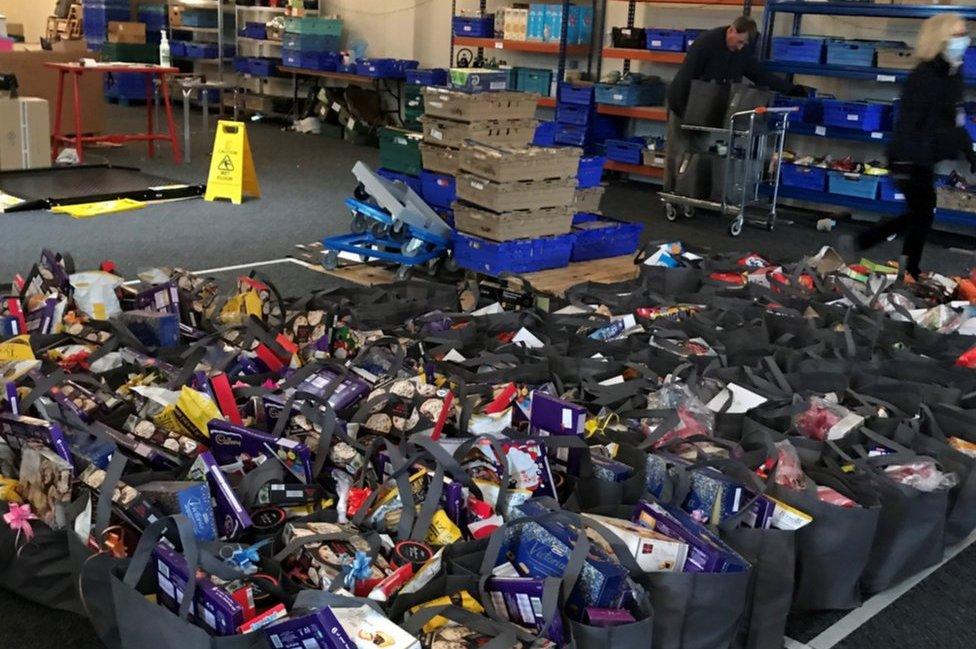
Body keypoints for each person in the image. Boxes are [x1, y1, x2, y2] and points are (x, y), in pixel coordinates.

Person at [842, 13, 975, 279]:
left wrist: (969, 153)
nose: (964, 40)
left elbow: (955, 119)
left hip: (926, 156)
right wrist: (909, 160)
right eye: (957, 35)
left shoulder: (953, 73)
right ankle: (887, 256)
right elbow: (910, 124)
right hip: (908, 156)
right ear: (941, 39)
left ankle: (893, 259)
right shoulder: (924, 76)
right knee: (922, 212)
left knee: (920, 213)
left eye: (964, 34)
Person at [665, 16, 798, 191]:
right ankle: (671, 195)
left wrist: (791, 89)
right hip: (682, 102)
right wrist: (683, 112)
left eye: (744, 45)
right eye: (740, 41)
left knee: (699, 154)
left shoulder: (741, 51)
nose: (740, 47)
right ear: (731, 30)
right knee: (679, 152)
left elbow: (759, 74)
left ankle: (690, 195)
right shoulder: (705, 44)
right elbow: (685, 77)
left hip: (706, 107)